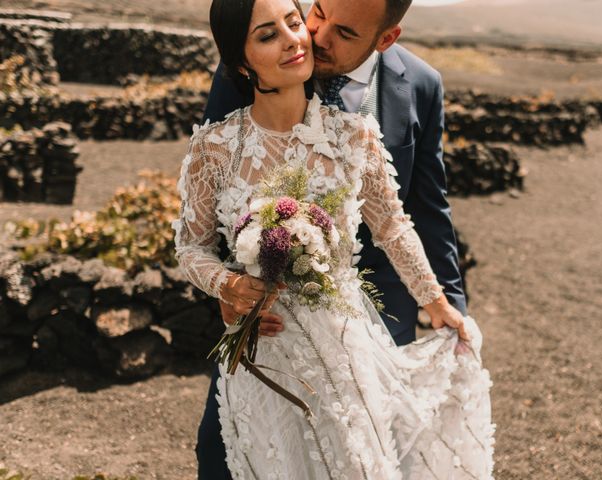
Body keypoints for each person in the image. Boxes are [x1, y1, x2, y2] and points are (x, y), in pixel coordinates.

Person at [173, 0, 494, 477]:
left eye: (295, 23)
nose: (303, 39)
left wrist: (439, 302)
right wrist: (228, 287)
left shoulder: (358, 133)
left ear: (385, 38)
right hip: (262, 341)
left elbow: (401, 222)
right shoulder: (215, 145)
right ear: (243, 60)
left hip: (349, 341)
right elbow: (193, 243)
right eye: (269, 34)